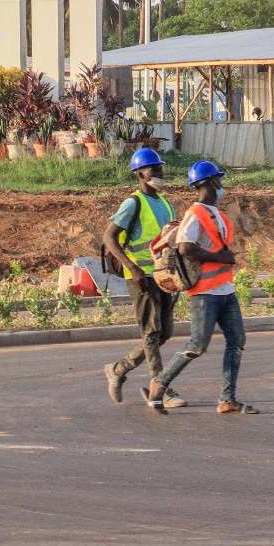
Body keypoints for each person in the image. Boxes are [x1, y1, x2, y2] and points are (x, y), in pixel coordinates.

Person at [146, 160, 257, 415]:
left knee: (237, 341)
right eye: (218, 180)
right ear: (209, 183)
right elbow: (185, 247)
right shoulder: (195, 214)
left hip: (225, 290)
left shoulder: (215, 212)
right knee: (197, 345)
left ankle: (227, 399)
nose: (222, 185)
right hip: (205, 293)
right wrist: (221, 258)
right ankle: (159, 384)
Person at [102, 147, 186, 409]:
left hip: (164, 276)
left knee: (164, 333)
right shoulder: (132, 203)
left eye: (160, 168)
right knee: (151, 332)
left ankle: (118, 369)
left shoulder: (165, 203)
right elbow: (109, 237)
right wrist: (133, 268)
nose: (160, 173)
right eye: (154, 169)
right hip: (140, 276)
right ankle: (159, 389)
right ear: (140, 173)